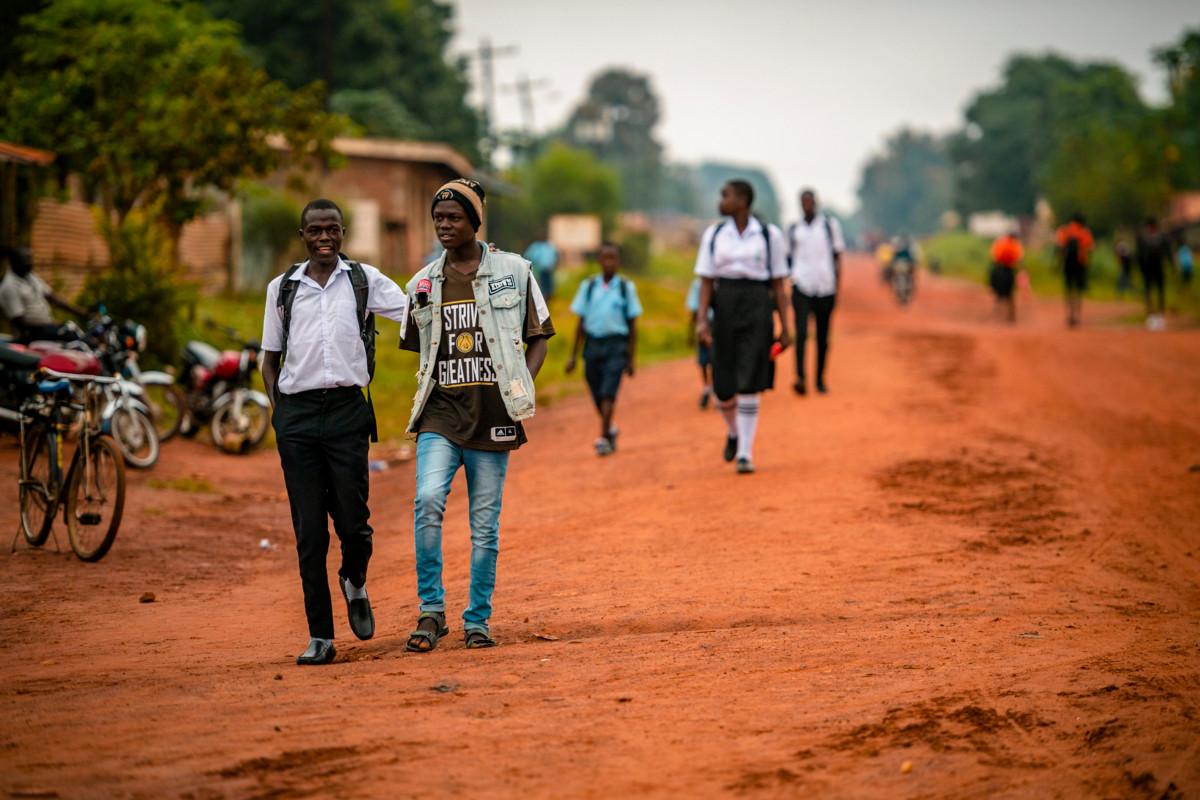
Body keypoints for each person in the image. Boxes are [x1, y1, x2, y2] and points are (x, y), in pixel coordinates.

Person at [400, 179, 554, 651]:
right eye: (439, 219)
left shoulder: (515, 271)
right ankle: (431, 612)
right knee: (427, 502)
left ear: (475, 221)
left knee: (484, 524)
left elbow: (540, 334)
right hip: (440, 414)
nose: (445, 226)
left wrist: (520, 385)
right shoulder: (421, 283)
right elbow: (418, 349)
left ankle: (477, 619)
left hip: (493, 415)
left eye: (454, 218)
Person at [260, 199, 410, 666]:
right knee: (309, 531)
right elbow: (269, 359)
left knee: (354, 524)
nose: (324, 237)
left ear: (343, 233)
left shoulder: (364, 280)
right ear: (302, 235)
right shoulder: (283, 288)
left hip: (347, 413)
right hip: (298, 419)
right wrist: (280, 413)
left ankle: (355, 580)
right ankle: (320, 635)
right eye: (315, 230)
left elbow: (414, 315)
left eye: (332, 230)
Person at [693, 180, 791, 475]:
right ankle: (734, 432)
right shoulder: (715, 234)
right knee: (722, 386)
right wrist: (701, 321)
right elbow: (706, 281)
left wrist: (786, 326)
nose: (721, 200)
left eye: (727, 196)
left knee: (750, 377)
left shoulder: (768, 234)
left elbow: (779, 283)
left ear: (743, 200)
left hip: (757, 304)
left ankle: (746, 453)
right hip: (724, 305)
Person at [566, 242, 641, 455]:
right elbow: (580, 323)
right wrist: (573, 356)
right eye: (605, 258)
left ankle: (603, 438)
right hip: (593, 345)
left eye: (613, 258)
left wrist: (631, 357)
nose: (609, 262)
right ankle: (610, 428)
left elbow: (633, 325)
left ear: (619, 261)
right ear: (599, 261)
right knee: (596, 389)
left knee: (609, 392)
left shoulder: (626, 288)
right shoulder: (588, 287)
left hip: (617, 346)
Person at [787, 189, 844, 395]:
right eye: (804, 202)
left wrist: (837, 287)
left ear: (816, 203)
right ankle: (800, 377)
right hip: (801, 284)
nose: (807, 205)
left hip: (825, 285)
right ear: (800, 204)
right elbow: (788, 257)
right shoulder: (794, 229)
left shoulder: (829, 226)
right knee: (801, 333)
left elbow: (837, 257)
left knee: (822, 335)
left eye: (810, 202)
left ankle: (820, 378)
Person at [0, 246, 85, 342]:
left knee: (78, 334)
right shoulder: (9, 286)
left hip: (47, 328)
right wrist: (52, 327)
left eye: (30, 259)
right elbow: (20, 323)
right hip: (32, 336)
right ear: (14, 262)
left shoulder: (30, 276)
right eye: (25, 260)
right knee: (72, 339)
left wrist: (82, 313)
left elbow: (52, 298)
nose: (30, 263)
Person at [1055, 213, 1094, 327]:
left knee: (1068, 290)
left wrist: (1059, 264)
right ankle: (1078, 315)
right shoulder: (1084, 232)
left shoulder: (1065, 230)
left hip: (1068, 264)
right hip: (1080, 264)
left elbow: (1060, 246)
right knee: (1078, 290)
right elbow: (1090, 247)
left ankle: (1069, 314)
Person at [1137, 218, 1172, 331]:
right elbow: (1139, 255)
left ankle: (1161, 316)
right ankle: (1150, 315)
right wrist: (1140, 268)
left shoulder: (1161, 238)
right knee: (1148, 291)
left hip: (1158, 268)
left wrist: (1171, 265)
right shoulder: (1143, 239)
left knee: (1160, 291)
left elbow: (1168, 252)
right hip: (1147, 269)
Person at [685, 277, 713, 408]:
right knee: (703, 361)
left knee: (716, 359)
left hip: (719, 325)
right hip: (704, 325)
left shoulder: (724, 282)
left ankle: (715, 387)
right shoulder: (698, 284)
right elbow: (694, 310)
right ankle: (707, 387)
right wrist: (692, 332)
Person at [989, 230, 1023, 323]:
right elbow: (1018, 259)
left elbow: (994, 256)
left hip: (1002, 269)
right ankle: (1008, 316)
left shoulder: (1002, 243)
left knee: (1002, 295)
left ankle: (1002, 316)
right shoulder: (1012, 245)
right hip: (1005, 269)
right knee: (1006, 295)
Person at [523, 230, 559, 301]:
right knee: (540, 285)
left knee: (549, 285)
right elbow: (528, 256)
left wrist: (554, 265)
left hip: (549, 269)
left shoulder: (550, 245)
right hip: (539, 270)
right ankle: (542, 298)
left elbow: (555, 255)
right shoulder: (535, 246)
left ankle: (548, 297)